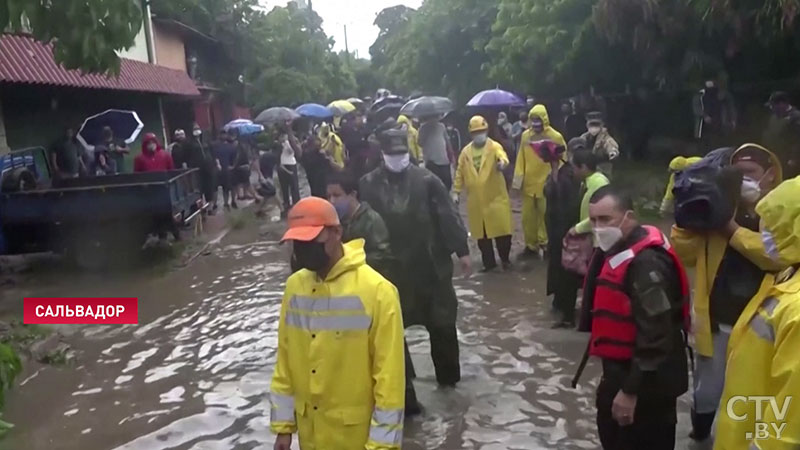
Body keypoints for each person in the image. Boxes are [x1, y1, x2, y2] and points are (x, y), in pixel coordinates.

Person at [270, 197, 405, 450]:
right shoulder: (294, 287)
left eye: (312, 240)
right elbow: (285, 363)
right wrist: (283, 429)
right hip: (310, 437)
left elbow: (389, 380)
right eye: (298, 242)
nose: (304, 248)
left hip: (356, 439)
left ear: (337, 233)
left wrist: (382, 445)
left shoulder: (377, 291)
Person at [671, 143, 784, 442]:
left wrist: (731, 230)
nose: (742, 180)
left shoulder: (783, 216)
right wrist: (686, 218)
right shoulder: (718, 208)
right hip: (718, 317)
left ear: (770, 175)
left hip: (764, 325)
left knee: (755, 392)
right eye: (735, 174)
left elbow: (777, 256)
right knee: (707, 390)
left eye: (749, 173)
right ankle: (700, 433)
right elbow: (686, 255)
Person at [360, 124, 471, 389]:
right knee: (391, 331)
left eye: (401, 152)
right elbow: (360, 223)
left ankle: (449, 382)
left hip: (431, 266)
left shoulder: (428, 180)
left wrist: (462, 251)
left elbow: (448, 215)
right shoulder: (368, 184)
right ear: (383, 154)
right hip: (389, 270)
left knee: (442, 324)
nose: (397, 158)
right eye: (392, 153)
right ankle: (404, 387)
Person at [582, 185, 690, 450]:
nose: (598, 227)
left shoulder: (646, 265)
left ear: (628, 217)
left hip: (646, 385)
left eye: (605, 220)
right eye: (593, 220)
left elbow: (657, 332)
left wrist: (630, 391)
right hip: (624, 373)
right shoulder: (619, 250)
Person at [326, 170, 422, 415]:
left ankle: (409, 409)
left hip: (378, 300)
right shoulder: (340, 225)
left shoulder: (371, 221)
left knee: (393, 358)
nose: (332, 202)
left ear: (352, 195)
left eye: (337, 195)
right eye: (329, 196)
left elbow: (384, 257)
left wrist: (352, 265)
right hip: (354, 303)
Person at [714, 176, 800, 449]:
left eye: (773, 227)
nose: (765, 235)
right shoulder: (786, 274)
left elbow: (788, 418)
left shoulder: (797, 307)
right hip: (740, 426)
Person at [453, 116, 513, 272]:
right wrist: (456, 191)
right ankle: (489, 263)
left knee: (502, 233)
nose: (479, 134)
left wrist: (502, 164)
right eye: (476, 132)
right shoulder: (465, 152)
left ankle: (505, 260)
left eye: (481, 131)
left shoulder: (494, 147)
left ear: (486, 131)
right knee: (482, 236)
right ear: (471, 134)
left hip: (496, 198)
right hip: (476, 202)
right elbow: (459, 173)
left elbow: (503, 157)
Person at [514, 104, 567, 259]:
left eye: (539, 120)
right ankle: (531, 246)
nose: (536, 124)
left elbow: (563, 159)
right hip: (529, 184)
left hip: (547, 183)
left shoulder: (555, 136)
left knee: (546, 217)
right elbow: (520, 158)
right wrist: (518, 181)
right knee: (527, 218)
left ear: (544, 119)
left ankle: (547, 245)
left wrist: (558, 180)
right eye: (533, 120)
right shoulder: (525, 136)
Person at [544, 139, 583, 328]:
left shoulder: (573, 174)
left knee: (567, 270)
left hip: (569, 228)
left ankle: (567, 313)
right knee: (558, 267)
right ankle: (560, 304)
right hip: (557, 228)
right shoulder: (562, 171)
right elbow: (548, 192)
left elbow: (564, 199)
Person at [570, 149, 611, 236]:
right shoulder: (585, 182)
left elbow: (602, 214)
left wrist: (578, 229)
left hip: (598, 237)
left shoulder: (600, 182)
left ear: (583, 167)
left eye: (574, 168)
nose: (573, 172)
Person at [763, 91, 800, 178]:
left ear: (782, 104)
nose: (772, 108)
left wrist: (794, 158)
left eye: (773, 105)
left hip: (790, 158)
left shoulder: (795, 117)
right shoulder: (774, 117)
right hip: (776, 156)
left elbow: (797, 140)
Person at [418, 114, 455, 189]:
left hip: (444, 160)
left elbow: (447, 142)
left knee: (448, 183)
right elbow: (420, 143)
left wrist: (452, 156)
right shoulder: (423, 128)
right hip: (431, 162)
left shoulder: (441, 126)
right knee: (434, 185)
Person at [580, 112, 620, 179]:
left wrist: (613, 152)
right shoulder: (584, 137)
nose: (594, 127)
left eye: (596, 125)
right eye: (591, 125)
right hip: (588, 171)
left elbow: (610, 145)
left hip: (603, 170)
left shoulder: (605, 137)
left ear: (602, 125)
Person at [277, 126, 302, 212]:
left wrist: (287, 144)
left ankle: (297, 203)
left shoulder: (291, 142)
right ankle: (286, 204)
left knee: (294, 185)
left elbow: (293, 151)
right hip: (282, 165)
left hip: (291, 164)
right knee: (284, 187)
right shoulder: (278, 144)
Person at [213, 130, 239, 210]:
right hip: (220, 170)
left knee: (231, 187)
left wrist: (233, 166)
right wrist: (217, 164)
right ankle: (224, 203)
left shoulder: (231, 147)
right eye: (222, 134)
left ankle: (233, 201)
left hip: (229, 170)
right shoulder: (216, 146)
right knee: (222, 188)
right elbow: (215, 157)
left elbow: (236, 158)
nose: (224, 136)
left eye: (225, 134)